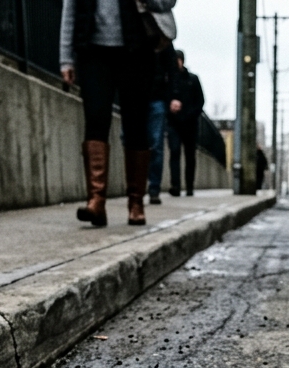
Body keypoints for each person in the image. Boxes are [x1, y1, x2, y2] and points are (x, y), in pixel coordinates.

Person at [59, 0, 162, 227]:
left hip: (136, 50)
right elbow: (70, 8)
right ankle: (96, 200)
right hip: (93, 51)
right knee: (95, 120)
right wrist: (66, 58)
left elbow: (166, 2)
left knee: (136, 125)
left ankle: (136, 202)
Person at [167, 50, 204, 197]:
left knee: (190, 156)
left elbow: (200, 102)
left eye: (178, 59)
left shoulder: (192, 79)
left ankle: (189, 186)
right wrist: (170, 108)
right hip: (174, 123)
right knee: (174, 153)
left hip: (190, 124)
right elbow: (164, 98)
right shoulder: (169, 80)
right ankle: (175, 185)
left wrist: (189, 114)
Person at [148, 43, 178, 205]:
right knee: (130, 140)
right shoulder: (132, 28)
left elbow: (172, 69)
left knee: (156, 144)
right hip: (135, 93)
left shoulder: (162, 35)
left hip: (157, 97)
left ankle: (154, 188)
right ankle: (136, 186)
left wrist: (173, 95)